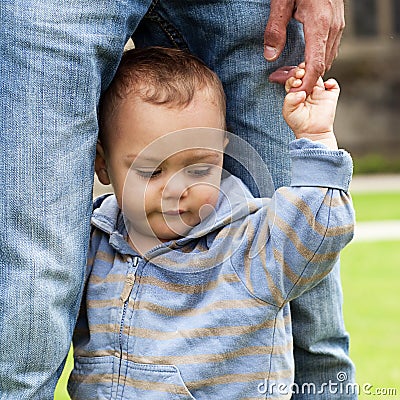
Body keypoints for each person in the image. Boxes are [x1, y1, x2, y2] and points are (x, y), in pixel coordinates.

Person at [0, 1, 353, 399]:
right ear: (101, 165)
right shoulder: (94, 242)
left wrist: (317, 139)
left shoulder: (249, 245)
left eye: (199, 168)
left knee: (315, 324)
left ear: (225, 155)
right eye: (151, 171)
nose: (176, 190)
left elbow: (317, 232)